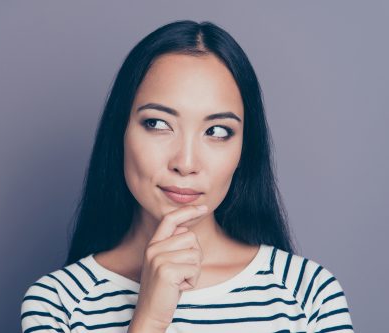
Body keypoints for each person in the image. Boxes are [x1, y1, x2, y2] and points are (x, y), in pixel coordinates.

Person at [20, 20, 354, 332]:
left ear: (243, 151)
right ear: (120, 131)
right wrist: (150, 317)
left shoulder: (308, 293)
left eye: (218, 131)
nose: (186, 162)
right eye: (157, 124)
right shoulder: (58, 303)